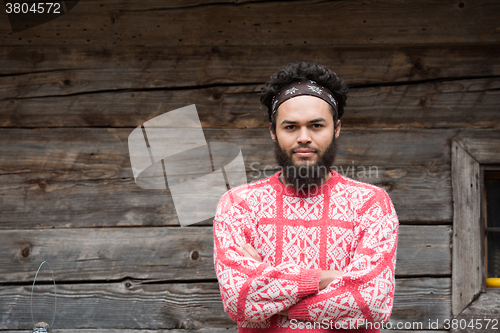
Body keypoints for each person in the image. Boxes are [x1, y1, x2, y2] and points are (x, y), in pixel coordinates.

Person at [213, 61, 399, 332]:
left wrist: (272, 299)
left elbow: (372, 303)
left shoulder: (371, 204)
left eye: (316, 126)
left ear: (336, 129)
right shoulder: (239, 205)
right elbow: (238, 300)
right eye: (290, 127)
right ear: (272, 132)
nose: (303, 137)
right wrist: (325, 279)